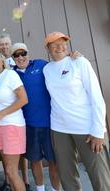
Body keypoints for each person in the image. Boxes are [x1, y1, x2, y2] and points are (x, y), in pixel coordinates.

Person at [43, 31, 110, 191]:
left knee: (100, 177)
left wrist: (98, 130)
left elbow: (96, 97)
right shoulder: (47, 69)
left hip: (87, 128)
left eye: (63, 43)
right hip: (59, 129)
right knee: (67, 177)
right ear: (48, 48)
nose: (59, 47)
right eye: (54, 45)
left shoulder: (80, 62)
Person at [12, 43, 61, 191]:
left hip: (49, 123)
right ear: (13, 58)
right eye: (16, 55)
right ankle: (40, 189)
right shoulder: (11, 74)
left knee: (53, 161)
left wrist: (74, 58)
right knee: (35, 160)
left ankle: (55, 189)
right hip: (28, 126)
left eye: (23, 53)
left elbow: (59, 66)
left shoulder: (41, 65)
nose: (21, 57)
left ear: (28, 53)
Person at [0, 50, 28, 191]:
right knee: (9, 172)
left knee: (11, 172)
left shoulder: (11, 75)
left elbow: (24, 99)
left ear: (3, 61)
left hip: (12, 126)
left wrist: (2, 113)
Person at [0, 34, 31, 191]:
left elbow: (23, 98)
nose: (4, 46)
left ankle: (24, 181)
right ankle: (11, 181)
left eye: (6, 44)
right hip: (1, 123)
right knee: (10, 166)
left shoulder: (13, 71)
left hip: (14, 119)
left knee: (17, 161)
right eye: (1, 44)